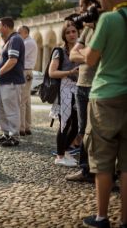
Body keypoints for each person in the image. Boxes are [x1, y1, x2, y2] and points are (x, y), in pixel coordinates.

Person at [82, 0, 127, 227]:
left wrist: (82, 47)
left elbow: (90, 59)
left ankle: (102, 217)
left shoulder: (109, 19)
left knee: (103, 159)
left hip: (106, 96)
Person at [65, 0, 99, 183]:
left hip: (97, 85)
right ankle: (86, 170)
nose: (80, 10)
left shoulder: (103, 27)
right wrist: (90, 54)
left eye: (82, 5)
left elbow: (95, 56)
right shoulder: (86, 30)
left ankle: (104, 171)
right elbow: (72, 55)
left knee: (99, 132)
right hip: (82, 84)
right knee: (84, 129)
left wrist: (84, 54)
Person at [49, 21, 79, 167]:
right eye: (68, 32)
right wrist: (70, 72)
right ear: (64, 35)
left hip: (79, 89)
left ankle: (65, 150)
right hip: (64, 89)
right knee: (64, 124)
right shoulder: (59, 51)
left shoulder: (82, 50)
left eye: (73, 31)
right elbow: (51, 72)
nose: (71, 34)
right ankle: (60, 156)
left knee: (78, 125)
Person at [0, 17, 25, 147]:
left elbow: (12, 60)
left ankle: (14, 136)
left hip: (11, 81)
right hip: (4, 81)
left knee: (11, 109)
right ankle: (6, 132)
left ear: (5, 27)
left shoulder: (15, 39)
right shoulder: (8, 41)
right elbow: (6, 60)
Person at [17, 25, 38, 136]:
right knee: (26, 101)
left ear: (25, 32)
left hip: (25, 72)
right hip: (27, 72)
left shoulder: (27, 43)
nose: (17, 34)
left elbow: (19, 56)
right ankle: (27, 126)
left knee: (22, 101)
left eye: (19, 32)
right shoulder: (29, 42)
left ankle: (21, 127)